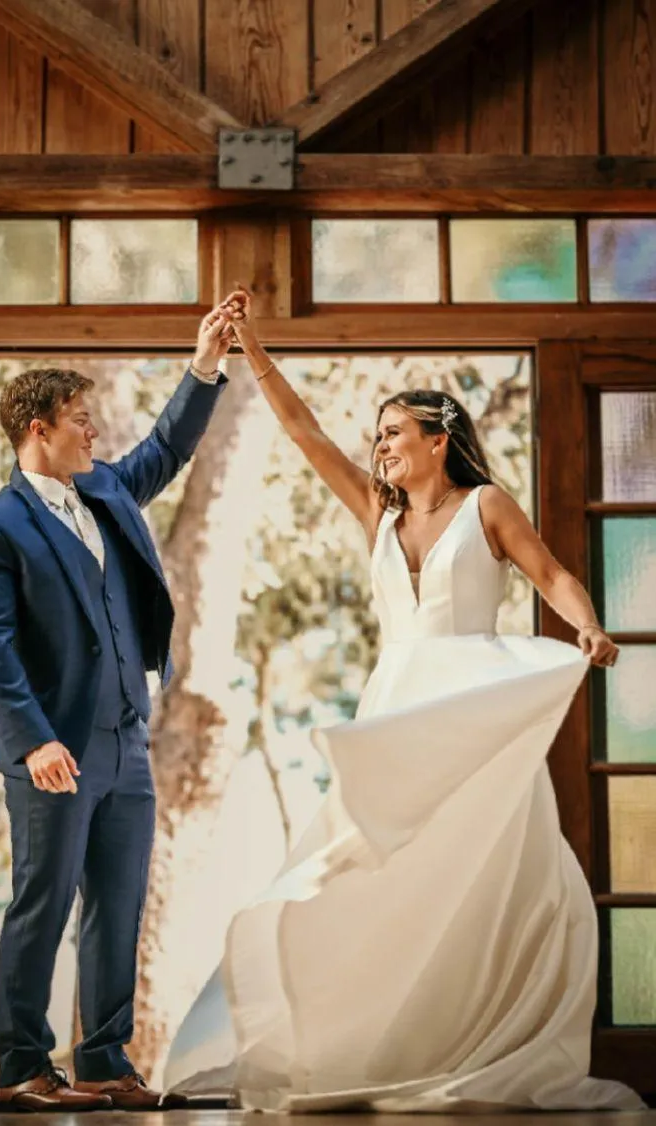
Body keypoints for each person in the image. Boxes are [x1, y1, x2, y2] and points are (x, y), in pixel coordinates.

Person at [163, 289, 644, 1113]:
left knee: (480, 879)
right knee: (376, 879)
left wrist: (589, 626)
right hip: (395, 709)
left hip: (471, 714)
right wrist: (251, 349)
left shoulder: (485, 505)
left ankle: (473, 1039)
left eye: (393, 432)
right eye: (378, 435)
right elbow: (304, 433)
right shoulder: (375, 513)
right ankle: (374, 1042)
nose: (380, 445)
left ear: (437, 438)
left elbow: (551, 574)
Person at [0, 311, 234, 1112]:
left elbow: (166, 449)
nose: (94, 431)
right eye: (80, 419)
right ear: (37, 430)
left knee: (118, 905)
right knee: (42, 905)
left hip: (125, 741)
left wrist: (203, 365)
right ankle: (21, 1067)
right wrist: (32, 740)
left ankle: (105, 1061)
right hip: (55, 749)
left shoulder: (106, 489)